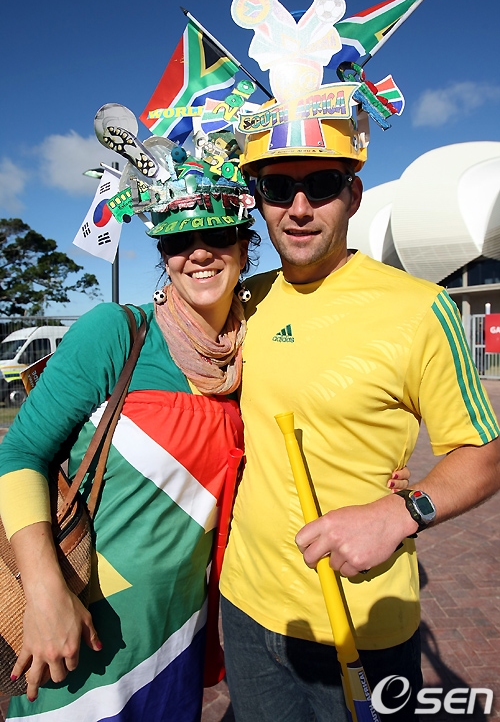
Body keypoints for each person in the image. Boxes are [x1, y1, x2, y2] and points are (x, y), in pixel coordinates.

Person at [219, 101, 500, 719]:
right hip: (244, 607)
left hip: (359, 620)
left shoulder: (420, 308)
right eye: (277, 188)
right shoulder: (241, 302)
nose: (299, 208)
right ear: (258, 200)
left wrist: (402, 510)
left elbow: (484, 453)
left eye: (322, 184)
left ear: (354, 195)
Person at [0, 130, 260, 721]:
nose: (199, 252)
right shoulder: (115, 332)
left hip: (178, 635)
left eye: (217, 234)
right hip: (77, 630)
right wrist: (45, 592)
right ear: (163, 253)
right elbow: (19, 456)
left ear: (245, 245)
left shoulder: (258, 352)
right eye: (179, 238)